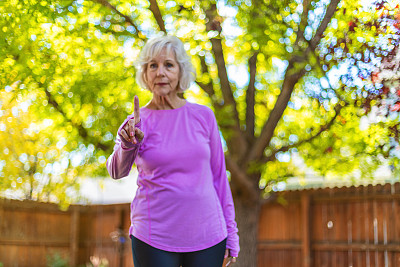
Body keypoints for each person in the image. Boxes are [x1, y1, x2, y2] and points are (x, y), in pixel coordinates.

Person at [107, 35, 239, 267]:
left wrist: (232, 233)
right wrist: (128, 143)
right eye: (152, 65)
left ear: (180, 71)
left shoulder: (204, 116)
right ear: (145, 74)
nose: (160, 72)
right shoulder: (136, 122)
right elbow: (116, 171)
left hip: (208, 235)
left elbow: (219, 179)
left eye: (168, 65)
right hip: (153, 236)